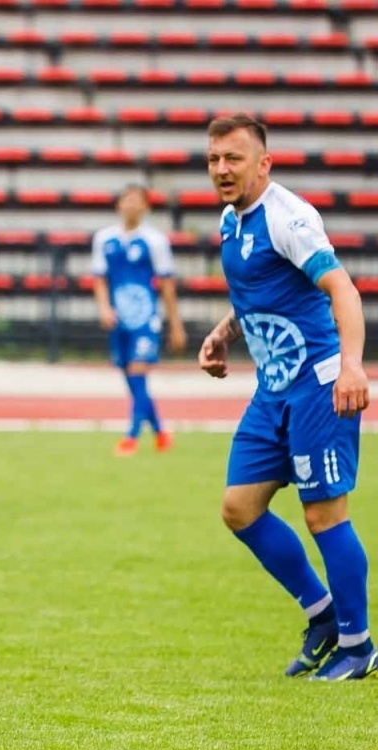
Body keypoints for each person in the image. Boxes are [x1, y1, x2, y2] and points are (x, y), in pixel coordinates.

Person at [198, 112, 373, 681]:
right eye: (214, 159)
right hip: (272, 391)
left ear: (263, 163)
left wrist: (352, 366)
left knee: (324, 515)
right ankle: (322, 615)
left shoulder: (290, 217)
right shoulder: (231, 220)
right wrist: (225, 332)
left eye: (234, 159)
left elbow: (341, 289)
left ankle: (358, 644)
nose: (222, 169)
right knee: (239, 508)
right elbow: (260, 295)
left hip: (319, 386)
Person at [91, 184, 186, 455]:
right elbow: (99, 279)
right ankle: (160, 433)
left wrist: (175, 324)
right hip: (119, 319)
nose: (132, 205)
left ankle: (131, 436)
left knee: (138, 373)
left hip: (146, 319)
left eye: (137, 200)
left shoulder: (155, 241)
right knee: (132, 379)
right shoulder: (104, 239)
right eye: (127, 200)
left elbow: (167, 284)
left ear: (146, 207)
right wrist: (104, 308)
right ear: (118, 205)